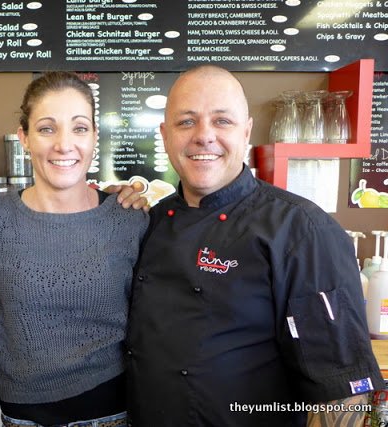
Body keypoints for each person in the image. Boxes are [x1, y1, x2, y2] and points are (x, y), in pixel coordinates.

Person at [125, 65, 383, 426]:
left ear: (246, 132)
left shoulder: (301, 232)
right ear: (165, 135)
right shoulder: (151, 221)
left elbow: (341, 386)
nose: (204, 136)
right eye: (186, 122)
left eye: (222, 121)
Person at [0, 71, 149, 426]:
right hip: (22, 417)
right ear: (23, 137)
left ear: (95, 137)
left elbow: (161, 322)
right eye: (47, 128)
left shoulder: (130, 218)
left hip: (113, 411)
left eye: (79, 128)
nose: (64, 144)